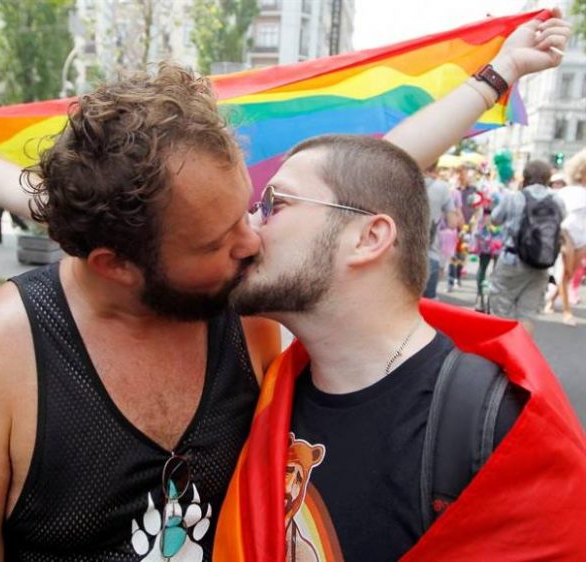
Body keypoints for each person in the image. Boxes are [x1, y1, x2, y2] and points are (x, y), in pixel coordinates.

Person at [0, 12, 571, 560]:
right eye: (218, 238)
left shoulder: (243, 313)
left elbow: (369, 175)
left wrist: (497, 75)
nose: (251, 239)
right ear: (116, 264)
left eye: (257, 209)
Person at [217, 134, 586, 562]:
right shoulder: (272, 389)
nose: (248, 229)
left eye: (274, 204)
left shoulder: (496, 423)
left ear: (370, 237)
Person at [487, 160, 565, 333]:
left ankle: (501, 356)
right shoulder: (557, 200)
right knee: (527, 314)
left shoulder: (515, 197)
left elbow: (495, 219)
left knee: (502, 310)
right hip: (542, 262)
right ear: (548, 178)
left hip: (512, 261)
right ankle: (518, 356)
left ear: (525, 177)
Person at [554, 148, 586, 326]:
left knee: (570, 274)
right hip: (567, 237)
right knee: (565, 273)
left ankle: (552, 300)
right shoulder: (568, 192)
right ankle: (566, 311)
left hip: (582, 239)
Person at [422, 163, 459, 299]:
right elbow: (452, 223)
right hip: (429, 255)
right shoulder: (441, 187)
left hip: (399, 257)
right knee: (428, 307)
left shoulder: (401, 180)